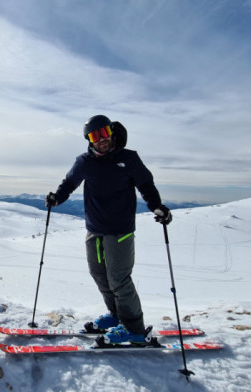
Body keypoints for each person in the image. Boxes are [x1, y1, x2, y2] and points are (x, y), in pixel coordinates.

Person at [46, 114, 172, 344]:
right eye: (95, 136)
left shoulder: (129, 158)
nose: (101, 139)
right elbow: (69, 184)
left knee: (119, 278)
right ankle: (116, 317)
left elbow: (146, 184)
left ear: (111, 132)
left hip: (120, 229)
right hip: (94, 228)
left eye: (104, 132)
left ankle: (134, 328)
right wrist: (57, 198)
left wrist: (156, 207)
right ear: (89, 139)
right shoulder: (84, 162)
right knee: (99, 275)